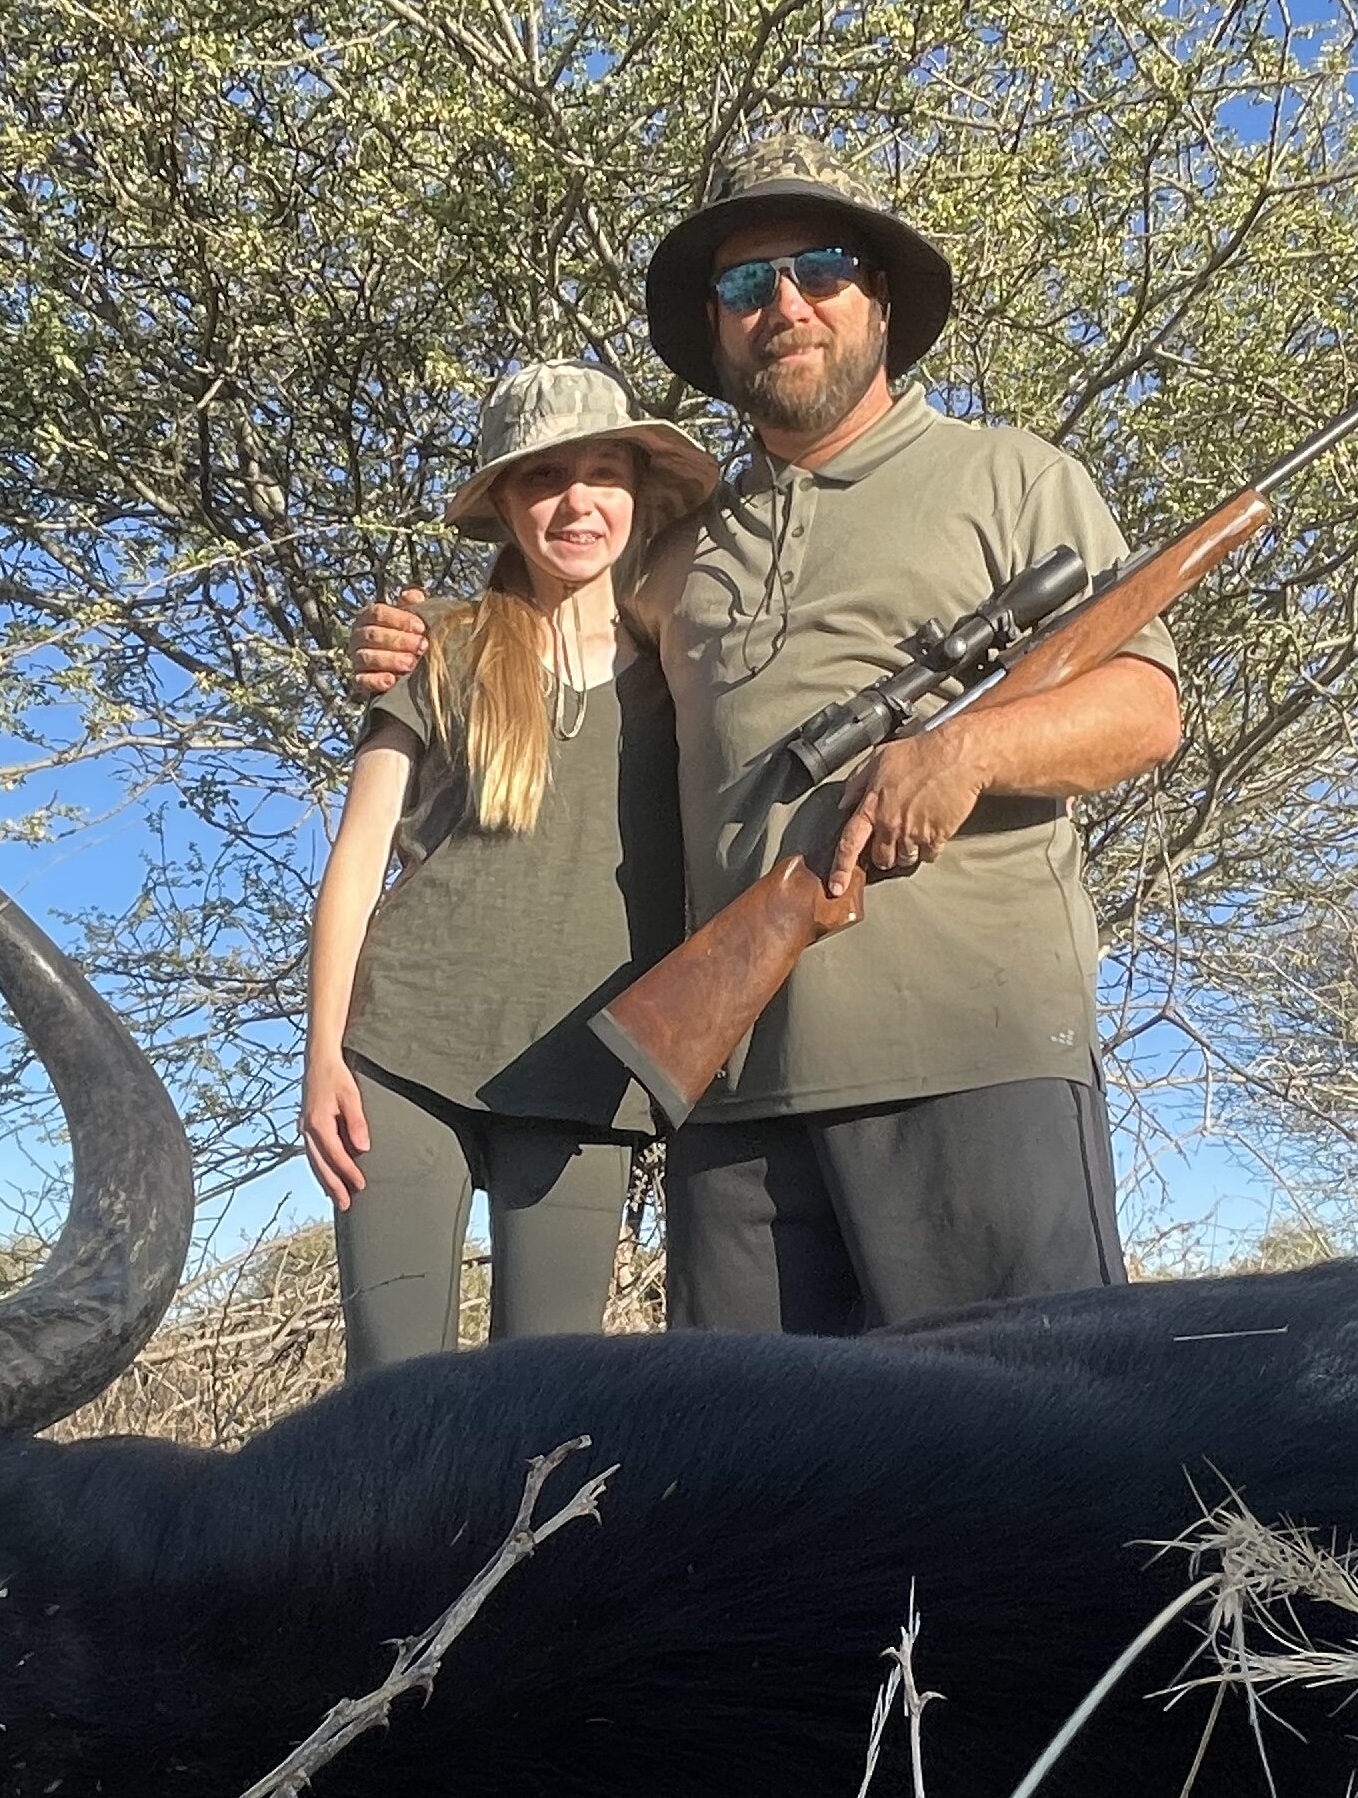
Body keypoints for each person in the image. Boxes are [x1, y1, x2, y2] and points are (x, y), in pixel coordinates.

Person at [357, 139, 1182, 1335]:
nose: (785, 307)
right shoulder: (677, 547)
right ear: (717, 326)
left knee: (1025, 1470)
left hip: (972, 1055)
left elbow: (1145, 710)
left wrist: (968, 753)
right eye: (748, 286)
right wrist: (419, 631)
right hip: (731, 1097)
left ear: (880, 299)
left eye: (823, 269)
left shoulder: (1015, 477)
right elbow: (544, 606)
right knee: (759, 1508)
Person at [304, 362, 717, 1373]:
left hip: (588, 1070)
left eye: (602, 473)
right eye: (543, 479)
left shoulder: (689, 665)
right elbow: (358, 856)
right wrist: (322, 1056)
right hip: (403, 1058)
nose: (576, 502)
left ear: (638, 494)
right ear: (503, 504)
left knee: (548, 1396)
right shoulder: (440, 642)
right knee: (394, 1392)